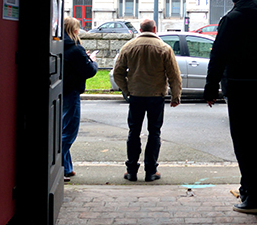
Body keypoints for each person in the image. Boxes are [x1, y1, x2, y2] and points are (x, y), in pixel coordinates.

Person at [204, 0, 257, 214]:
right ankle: (247, 188)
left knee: (241, 142)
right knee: (255, 139)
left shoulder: (232, 19)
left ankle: (255, 198)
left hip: (238, 88)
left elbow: (218, 55)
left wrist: (211, 89)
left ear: (236, 1)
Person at [112, 19, 182, 182]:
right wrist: (175, 96)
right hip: (156, 96)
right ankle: (151, 171)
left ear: (140, 29)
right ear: (155, 29)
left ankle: (131, 170)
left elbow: (117, 73)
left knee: (134, 132)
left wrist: (127, 90)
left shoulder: (128, 47)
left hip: (136, 95)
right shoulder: (164, 48)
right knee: (154, 132)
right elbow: (174, 76)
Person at [62, 16, 98, 182]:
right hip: (72, 91)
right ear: (73, 30)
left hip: (62, 91)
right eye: (77, 28)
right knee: (69, 132)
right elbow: (89, 71)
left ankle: (66, 168)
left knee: (62, 128)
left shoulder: (61, 46)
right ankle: (54, 164)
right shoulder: (76, 49)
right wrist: (93, 61)